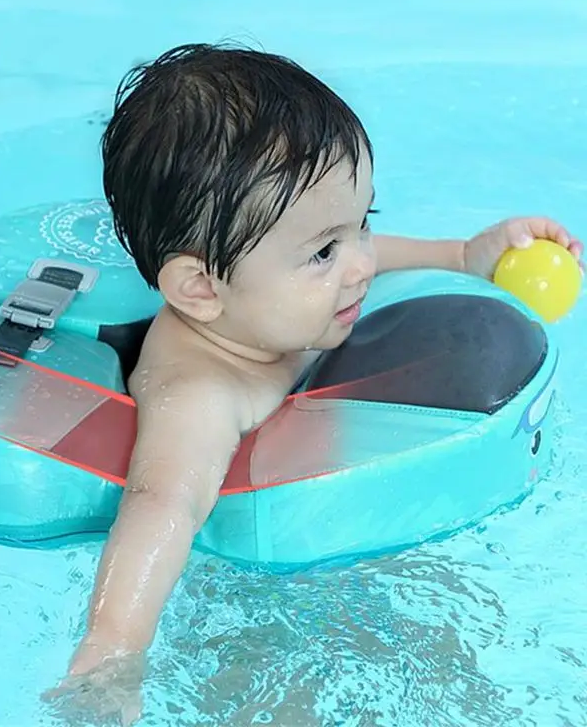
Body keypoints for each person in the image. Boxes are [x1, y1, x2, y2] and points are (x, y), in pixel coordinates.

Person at [43, 43, 582, 723]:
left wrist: (462, 255)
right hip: (249, 604)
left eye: (364, 225)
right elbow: (162, 505)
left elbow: (353, 253)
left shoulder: (277, 293)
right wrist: (113, 653)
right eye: (326, 251)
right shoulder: (201, 391)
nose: (361, 265)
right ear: (201, 288)